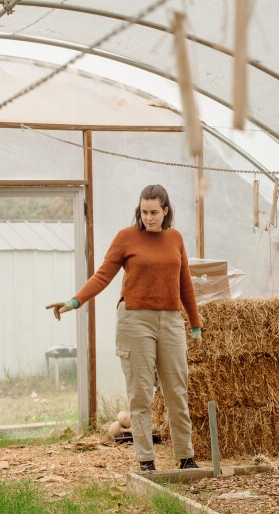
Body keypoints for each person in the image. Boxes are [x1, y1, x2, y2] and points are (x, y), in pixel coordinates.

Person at [46, 184, 202, 472]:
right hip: (135, 320)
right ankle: (146, 460)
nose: (149, 217)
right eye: (144, 212)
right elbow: (103, 275)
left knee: (176, 391)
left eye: (154, 212)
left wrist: (195, 323)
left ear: (166, 211)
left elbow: (185, 283)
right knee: (141, 393)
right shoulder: (126, 238)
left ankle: (186, 456)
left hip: (169, 320)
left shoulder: (175, 238)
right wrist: (74, 301)